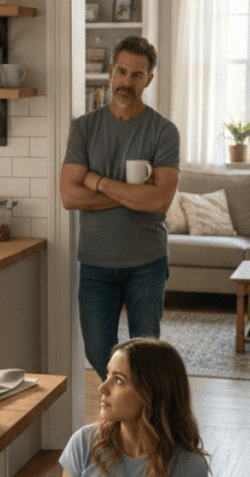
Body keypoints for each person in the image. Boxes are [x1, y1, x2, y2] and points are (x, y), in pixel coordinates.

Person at [59, 36, 180, 381]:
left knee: (146, 356)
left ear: (149, 80)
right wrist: (135, 193)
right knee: (98, 351)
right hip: (96, 262)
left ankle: (140, 425)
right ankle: (132, 411)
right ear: (111, 72)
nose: (127, 82)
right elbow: (69, 196)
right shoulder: (84, 128)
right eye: (122, 72)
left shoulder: (164, 132)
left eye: (137, 75)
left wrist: (97, 182)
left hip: (147, 262)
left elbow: (160, 200)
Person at [53, 337, 211, 477]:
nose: (103, 388)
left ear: (150, 393)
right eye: (107, 375)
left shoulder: (188, 467)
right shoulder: (83, 443)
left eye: (118, 380)